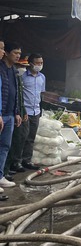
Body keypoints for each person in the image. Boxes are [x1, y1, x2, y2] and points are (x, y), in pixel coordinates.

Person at [11, 53, 45, 172]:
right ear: (30, 63)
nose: (39, 65)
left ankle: (27, 160)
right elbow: (18, 93)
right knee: (21, 137)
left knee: (31, 138)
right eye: (37, 63)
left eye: (41, 63)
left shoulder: (42, 77)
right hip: (25, 111)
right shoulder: (22, 76)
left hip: (36, 111)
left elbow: (41, 95)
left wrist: (41, 110)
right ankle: (16, 162)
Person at [0, 42, 23, 191]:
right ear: (7, 53)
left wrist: (17, 112)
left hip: (9, 114)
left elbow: (15, 93)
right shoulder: (0, 68)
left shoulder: (13, 70)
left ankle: (0, 176)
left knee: (5, 146)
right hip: (1, 115)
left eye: (19, 53)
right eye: (15, 53)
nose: (18, 56)